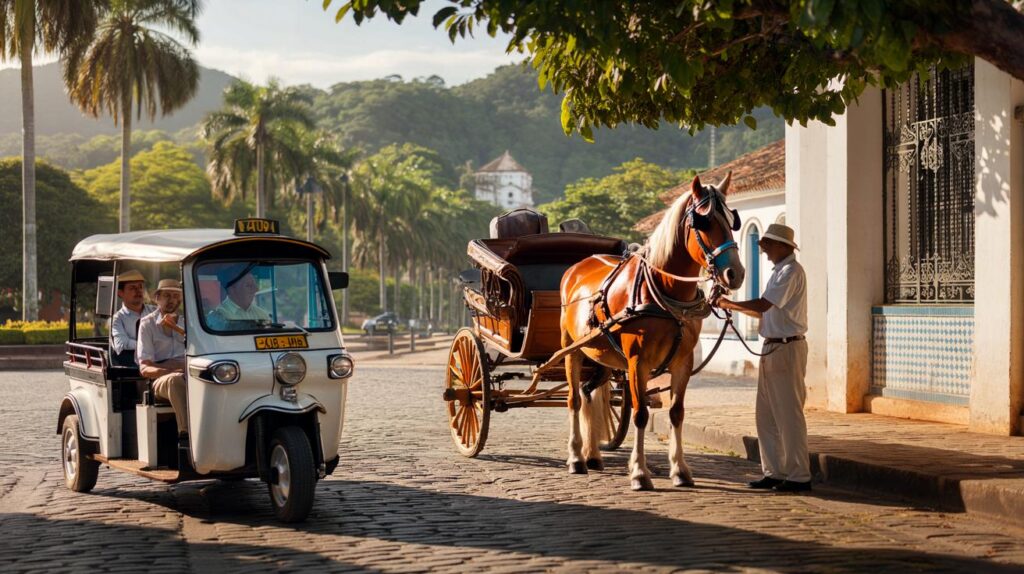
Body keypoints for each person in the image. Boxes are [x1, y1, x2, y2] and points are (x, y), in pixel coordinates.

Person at [716, 223, 810, 493]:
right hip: (773, 348)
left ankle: (799, 476)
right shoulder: (780, 271)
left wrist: (728, 304)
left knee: (789, 416)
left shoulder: (791, 271)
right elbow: (763, 312)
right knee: (766, 417)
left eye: (767, 244)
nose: (764, 250)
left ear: (783, 246)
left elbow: (763, 305)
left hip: (787, 349)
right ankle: (774, 471)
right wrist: (730, 305)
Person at [137, 279, 189, 443]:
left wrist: (177, 328)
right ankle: (186, 435)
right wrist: (170, 370)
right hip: (161, 379)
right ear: (157, 298)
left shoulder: (190, 322)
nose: (172, 300)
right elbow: (145, 368)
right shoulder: (147, 324)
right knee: (175, 381)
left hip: (190, 372)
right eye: (167, 295)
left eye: (175, 296)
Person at [110, 269, 155, 366]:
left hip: (157, 359)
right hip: (132, 365)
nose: (138, 291)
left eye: (140, 287)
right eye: (132, 288)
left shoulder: (155, 311)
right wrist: (148, 345)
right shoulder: (118, 318)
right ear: (120, 293)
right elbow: (121, 345)